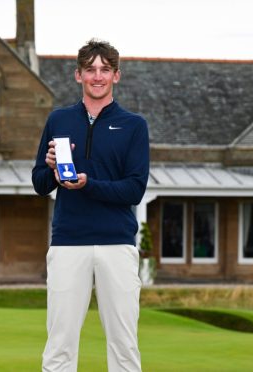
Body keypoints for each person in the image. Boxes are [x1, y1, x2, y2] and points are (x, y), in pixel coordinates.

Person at [32, 39, 149, 372]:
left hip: (117, 244)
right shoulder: (58, 120)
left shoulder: (133, 125)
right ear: (78, 75)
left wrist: (89, 184)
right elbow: (40, 183)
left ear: (116, 76)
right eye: (90, 70)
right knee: (59, 345)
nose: (97, 76)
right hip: (69, 242)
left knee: (124, 345)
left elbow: (134, 189)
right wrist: (53, 170)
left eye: (104, 70)